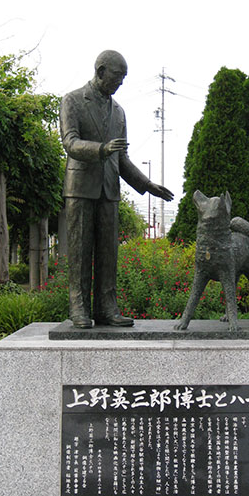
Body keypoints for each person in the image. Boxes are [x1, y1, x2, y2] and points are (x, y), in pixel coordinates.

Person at [60, 50, 173, 328]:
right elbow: (70, 143)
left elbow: (121, 158)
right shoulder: (72, 100)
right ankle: (79, 307)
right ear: (100, 71)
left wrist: (147, 185)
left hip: (109, 190)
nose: (120, 83)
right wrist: (101, 149)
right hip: (81, 188)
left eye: (123, 78)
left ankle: (107, 307)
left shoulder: (119, 112)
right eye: (116, 77)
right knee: (80, 252)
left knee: (109, 253)